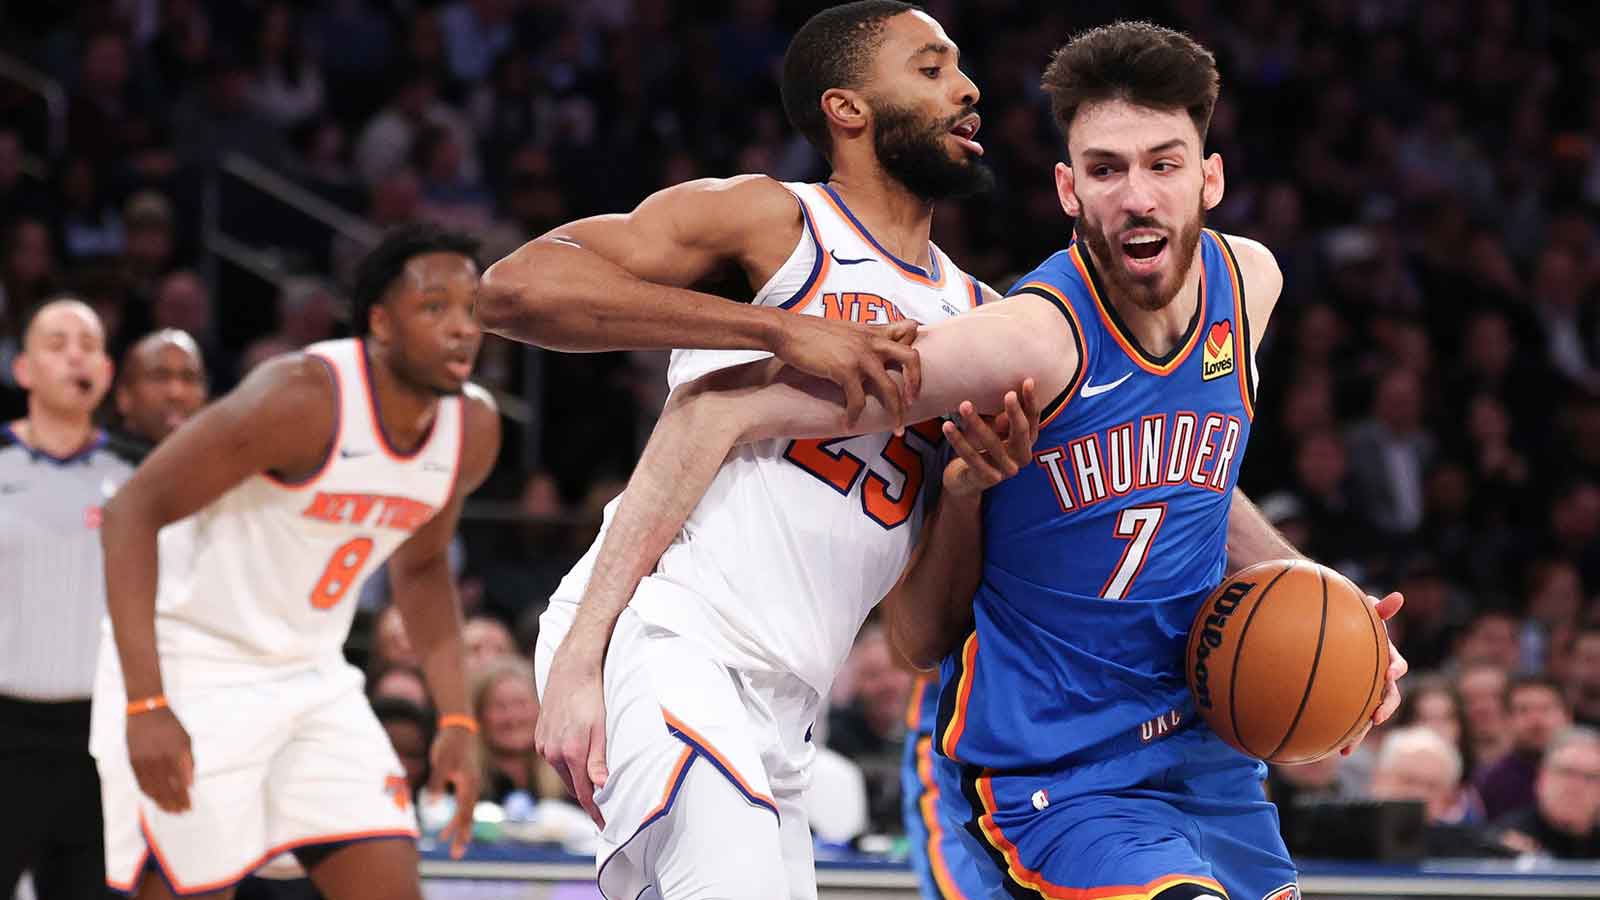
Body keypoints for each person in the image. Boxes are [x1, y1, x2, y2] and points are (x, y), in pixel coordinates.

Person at [542, 21, 1408, 900]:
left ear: (1210, 177)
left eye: (1165, 164)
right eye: (1108, 170)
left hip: (1160, 746)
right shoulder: (1005, 333)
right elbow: (700, 399)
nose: (1139, 196)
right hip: (1025, 756)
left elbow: (1193, 480)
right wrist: (581, 658)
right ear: (1068, 190)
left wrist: (1331, 609)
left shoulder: (1239, 285)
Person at [476, 4, 1028, 896]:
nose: (966, 89)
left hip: (789, 708)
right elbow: (515, 290)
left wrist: (964, 494)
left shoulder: (981, 319)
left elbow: (919, 637)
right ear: (846, 109)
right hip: (668, 638)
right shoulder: (777, 224)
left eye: (960, 69)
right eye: (929, 69)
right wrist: (781, 329)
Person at [91, 224, 502, 899]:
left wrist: (456, 717)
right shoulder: (302, 397)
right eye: (435, 308)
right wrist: (147, 703)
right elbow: (130, 513)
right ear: (381, 322)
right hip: (196, 669)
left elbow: (424, 569)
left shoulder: (473, 430)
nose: (462, 328)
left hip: (313, 677)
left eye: (472, 308)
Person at [0, 299, 134, 900]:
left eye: (88, 343)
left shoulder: (137, 480)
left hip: (99, 736)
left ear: (106, 372)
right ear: (23, 368)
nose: (74, 354)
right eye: (57, 343)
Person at [1476, 674, 1573, 821]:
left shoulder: (1591, 773)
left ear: (1567, 716)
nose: (1536, 720)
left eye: (1545, 709)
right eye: (1523, 710)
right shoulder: (1490, 782)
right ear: (1506, 720)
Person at [1496, 726, 1600, 859]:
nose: (1576, 786)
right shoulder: (1505, 842)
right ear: (1541, 779)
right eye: (1567, 772)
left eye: (1590, 777)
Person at [114, 328, 209, 447]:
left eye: (189, 378)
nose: (176, 393)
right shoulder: (96, 461)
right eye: (160, 377)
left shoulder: (224, 461)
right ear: (124, 396)